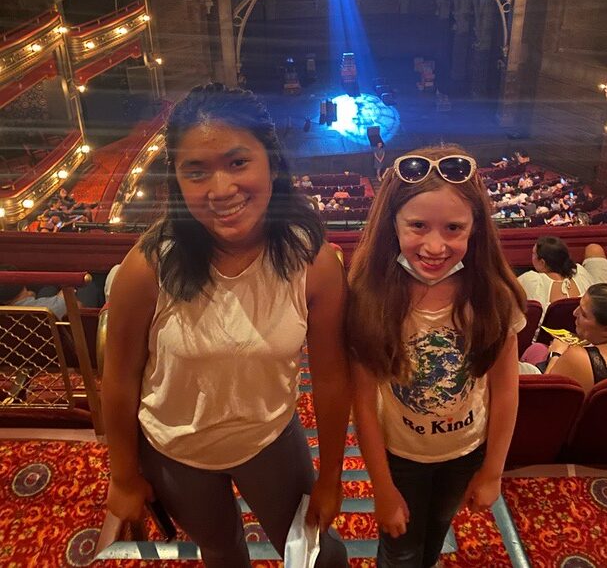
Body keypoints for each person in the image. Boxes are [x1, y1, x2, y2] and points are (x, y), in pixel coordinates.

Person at [103, 83, 350, 568]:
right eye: (196, 172)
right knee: (222, 554)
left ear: (272, 164)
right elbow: (120, 378)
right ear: (177, 180)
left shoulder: (313, 262)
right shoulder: (147, 267)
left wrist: (331, 476)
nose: (220, 190)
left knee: (321, 556)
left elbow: (331, 376)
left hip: (270, 440)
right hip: (176, 451)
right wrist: (124, 476)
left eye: (238, 163)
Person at [346, 146, 526, 567]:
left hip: (466, 453)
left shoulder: (494, 297)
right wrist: (383, 489)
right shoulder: (368, 297)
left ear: (474, 228)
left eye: (453, 228)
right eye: (417, 226)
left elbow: (505, 391)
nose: (434, 245)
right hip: (400, 457)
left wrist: (493, 470)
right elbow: (363, 405)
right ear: (393, 224)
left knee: (431, 542)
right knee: (399, 549)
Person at [541, 284, 607, 392]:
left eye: (584, 314)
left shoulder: (578, 358)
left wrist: (555, 354)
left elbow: (547, 400)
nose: (575, 313)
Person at [518, 237, 607, 318]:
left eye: (533, 254)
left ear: (542, 262)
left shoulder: (531, 279)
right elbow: (600, 296)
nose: (532, 256)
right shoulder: (578, 272)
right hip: (600, 305)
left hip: (596, 313)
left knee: (596, 249)